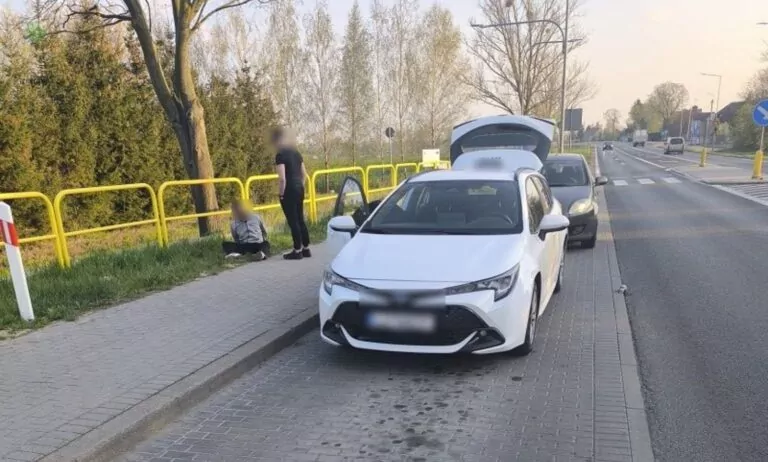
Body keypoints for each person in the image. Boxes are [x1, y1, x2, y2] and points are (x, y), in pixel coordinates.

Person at [272, 127, 311, 260]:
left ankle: (297, 250)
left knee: (293, 220)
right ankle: (306, 248)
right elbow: (304, 174)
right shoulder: (296, 153)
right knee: (300, 218)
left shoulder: (280, 155)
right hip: (299, 188)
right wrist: (300, 185)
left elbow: (282, 178)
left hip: (288, 190)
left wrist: (281, 194)